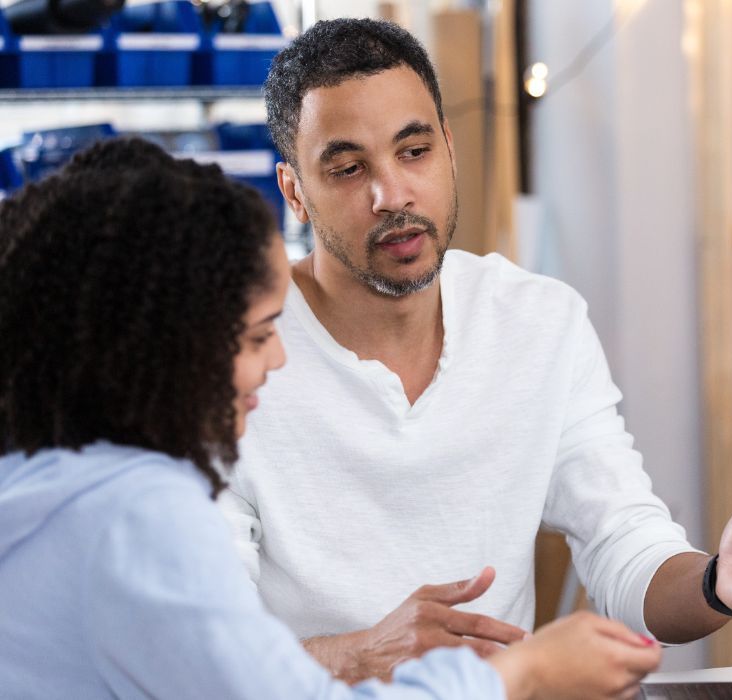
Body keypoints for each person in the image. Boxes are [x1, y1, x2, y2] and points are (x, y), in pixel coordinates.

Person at [220, 17, 732, 682]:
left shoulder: (539, 322)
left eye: (415, 151)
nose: (392, 194)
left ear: (450, 149)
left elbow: (623, 542)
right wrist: (364, 653)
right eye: (347, 168)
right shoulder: (234, 356)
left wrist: (719, 581)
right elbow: (202, 659)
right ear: (294, 193)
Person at [0, 137, 661, 699]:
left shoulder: (55, 484)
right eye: (260, 336)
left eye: (415, 151)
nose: (279, 358)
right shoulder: (137, 516)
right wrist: (527, 672)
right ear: (165, 346)